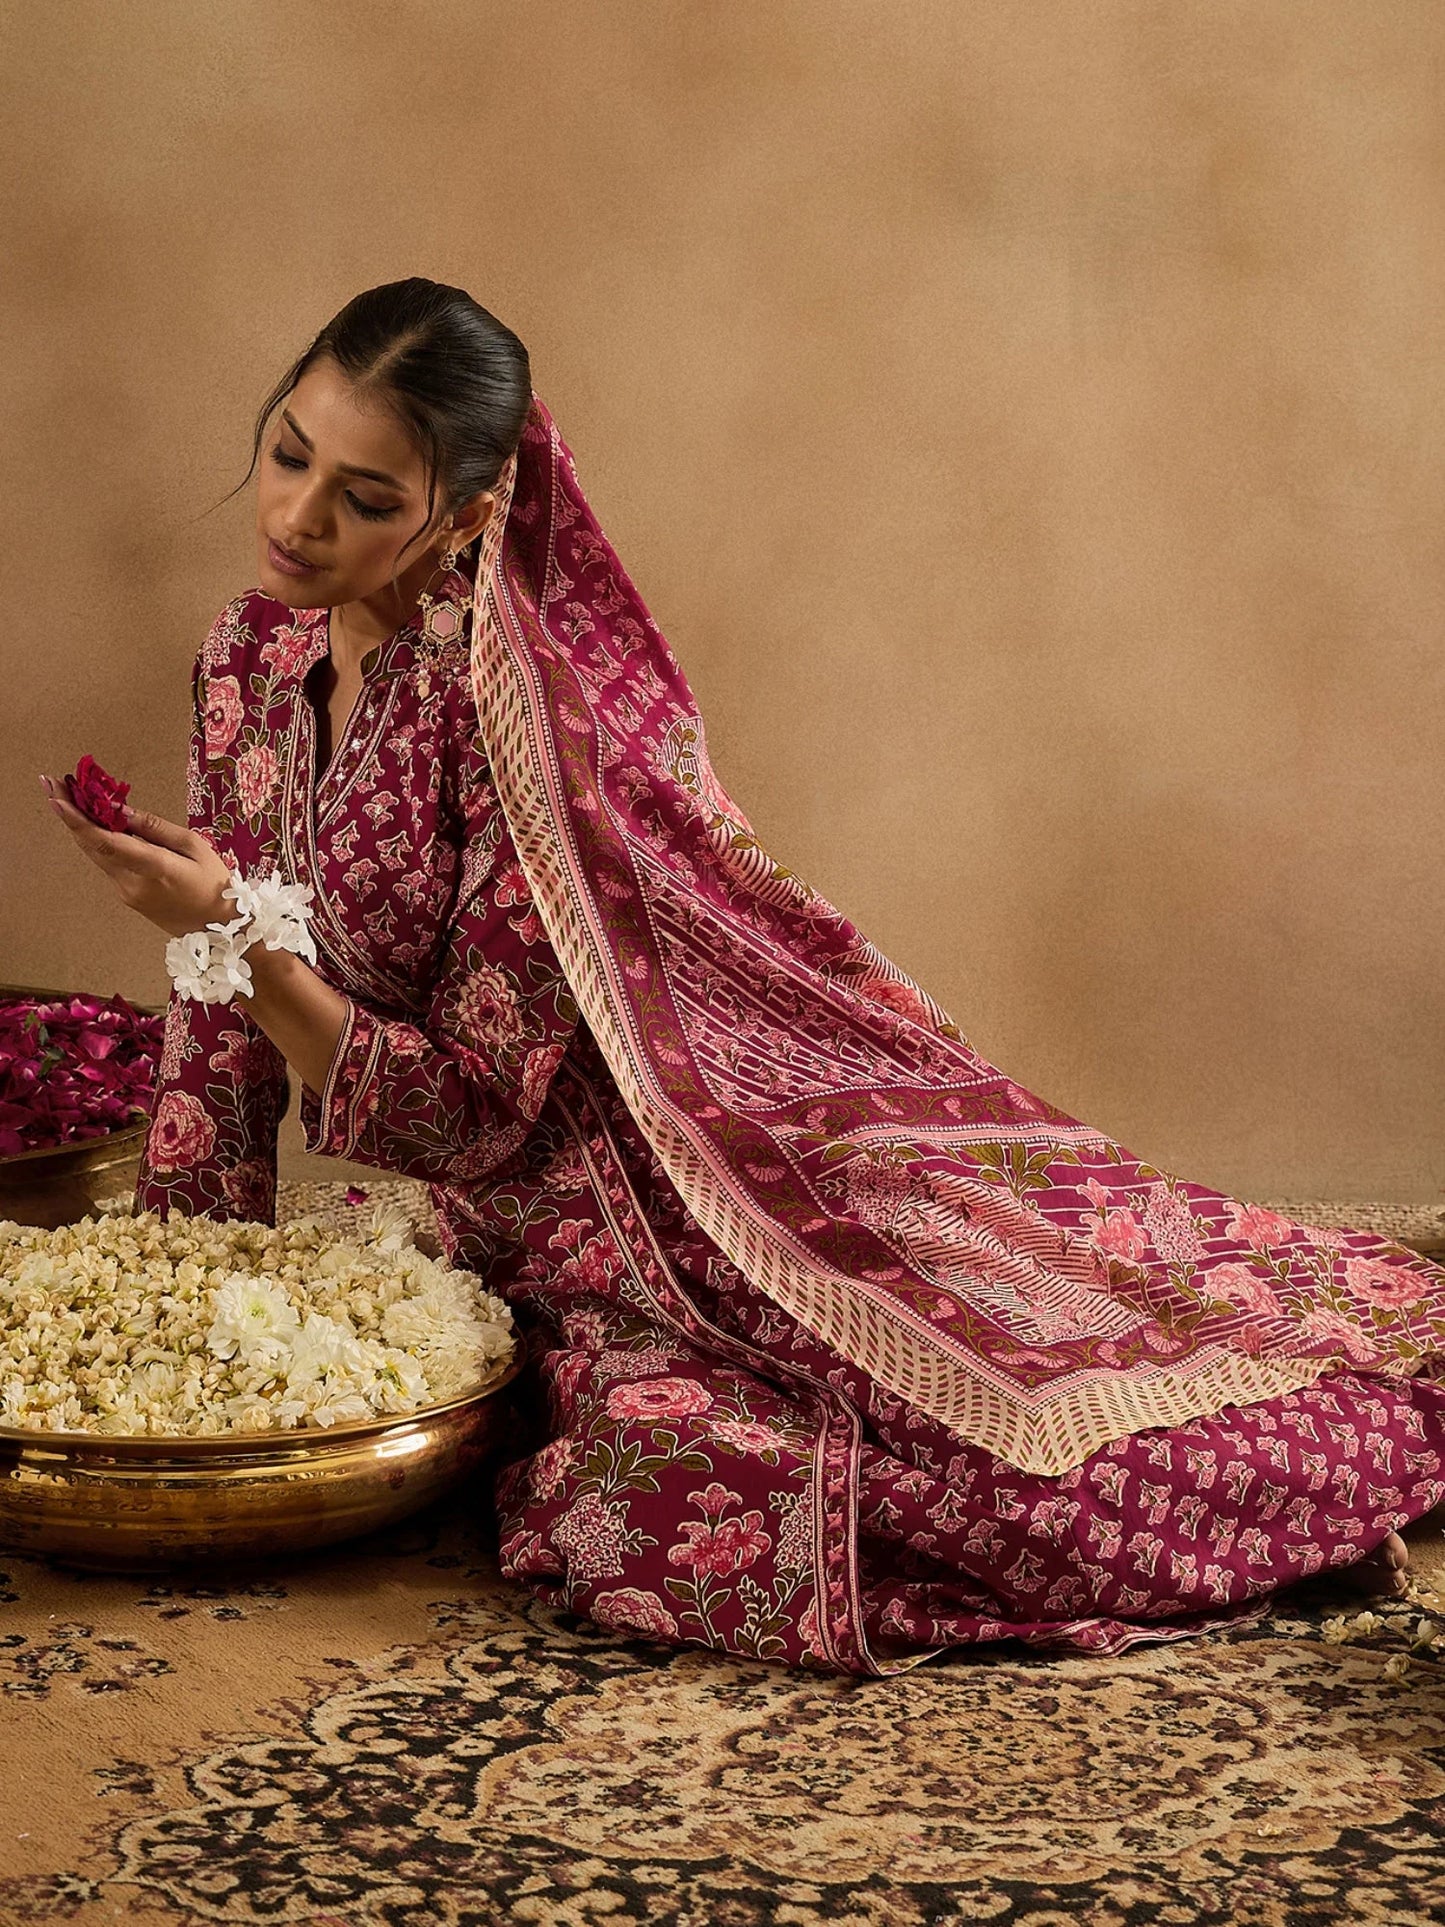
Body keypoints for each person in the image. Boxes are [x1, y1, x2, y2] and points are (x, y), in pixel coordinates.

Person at [41, 278, 1445, 1677]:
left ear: (464, 514)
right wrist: (187, 1288)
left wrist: (237, 935)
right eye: (289, 454)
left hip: (657, 1184)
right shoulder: (247, 658)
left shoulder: (512, 711)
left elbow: (472, 1113)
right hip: (489, 1228)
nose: (295, 518)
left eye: (362, 496)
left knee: (998, 1482)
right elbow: (216, 1010)